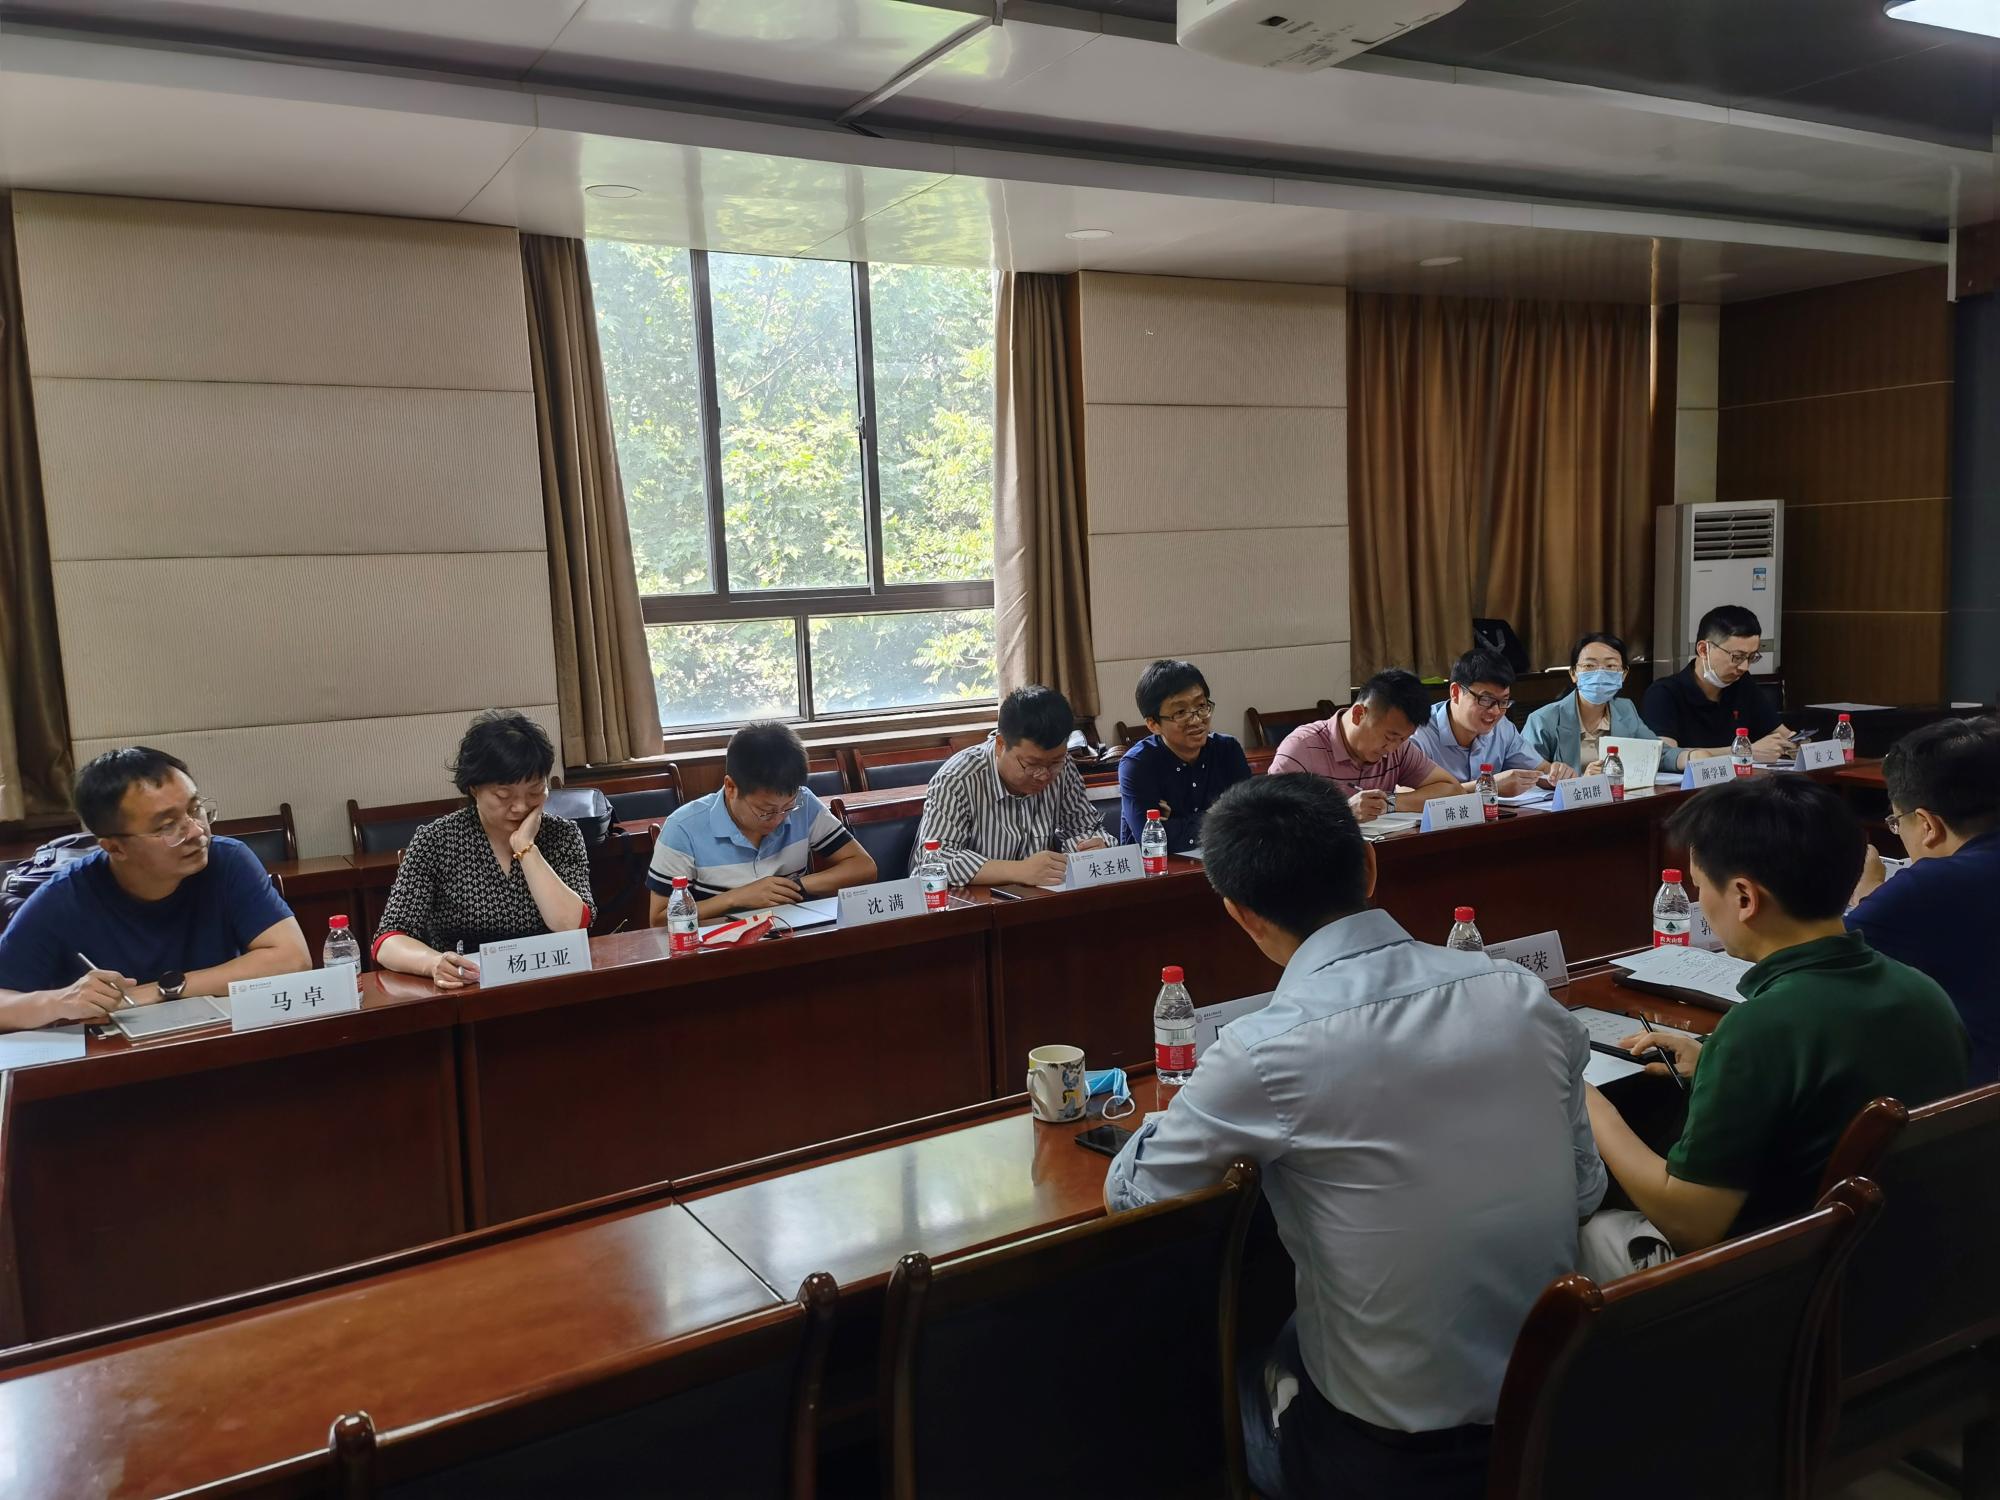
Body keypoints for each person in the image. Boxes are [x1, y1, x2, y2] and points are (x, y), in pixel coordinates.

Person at [1106, 774, 1602, 1499]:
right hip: (1556, 1416)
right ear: (1370, 864)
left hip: (1388, 1461)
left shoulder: (1263, 1051)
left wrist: (1166, 1120)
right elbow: (1585, 1190)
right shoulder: (1517, 992)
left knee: (1223, 1373)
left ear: (1240, 914)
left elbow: (1137, 1199)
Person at [1583, 777, 1967, 1278]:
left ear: (1744, 897)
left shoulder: (1761, 1028)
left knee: (1584, 1229)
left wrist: (1593, 1108)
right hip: (1909, 1258)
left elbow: (1690, 1223)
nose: (1700, 901)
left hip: (1786, 1279)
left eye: (1701, 886)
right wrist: (1713, 1060)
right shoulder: (1923, 991)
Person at [0, 747, 308, 1030]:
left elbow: (292, 958)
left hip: (217, 1040)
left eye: (195, 809)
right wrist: (59, 1001)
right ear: (115, 848)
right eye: (167, 826)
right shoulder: (65, 897)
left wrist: (159, 991)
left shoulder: (226, 860)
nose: (197, 831)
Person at [373, 711, 593, 989]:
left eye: (535, 792)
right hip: (467, 989)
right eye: (504, 795)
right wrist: (434, 963)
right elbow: (388, 940)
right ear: (474, 788)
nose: (520, 807)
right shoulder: (437, 840)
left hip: (549, 985)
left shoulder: (562, 835)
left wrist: (526, 848)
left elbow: (571, 926)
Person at [1845, 717, 2000, 1082]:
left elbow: (1820, 959)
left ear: (1928, 825)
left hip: (1968, 1100)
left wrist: (1868, 891)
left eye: (1896, 821)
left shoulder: (1928, 884)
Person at [647, 721, 876, 922]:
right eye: (765, 811)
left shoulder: (804, 803)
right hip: (719, 949)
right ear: (731, 787)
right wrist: (737, 898)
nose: (779, 818)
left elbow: (864, 867)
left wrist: (795, 887)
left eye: (788, 807)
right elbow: (659, 918)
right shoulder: (683, 828)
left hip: (792, 938)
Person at [915, 685, 1107, 888]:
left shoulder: (1064, 767)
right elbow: (934, 862)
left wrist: (1095, 846)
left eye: (1055, 762)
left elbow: (1086, 828)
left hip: (1039, 898)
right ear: (1000, 745)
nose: (1044, 775)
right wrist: (1020, 870)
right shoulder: (958, 779)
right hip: (970, 902)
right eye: (1032, 764)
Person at [1267, 669, 1461, 819]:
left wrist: (1389, 803)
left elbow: (1452, 790)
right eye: (1389, 736)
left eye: (1402, 739)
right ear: (1359, 714)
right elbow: (1271, 819)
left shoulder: (1399, 749)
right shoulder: (1301, 749)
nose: (1392, 749)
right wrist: (1344, 812)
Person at [1116, 658, 1252, 850]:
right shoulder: (1137, 764)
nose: (1196, 720)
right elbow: (1152, 840)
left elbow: (1252, 820)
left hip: (1221, 863)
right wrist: (1222, 817)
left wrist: (1176, 825)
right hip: (1159, 868)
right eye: (1180, 712)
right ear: (1153, 724)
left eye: (1201, 706)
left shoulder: (1228, 750)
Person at [1640, 604, 1794, 760]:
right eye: (1737, 657)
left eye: (1751, 657)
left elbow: (1785, 735)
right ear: (1703, 650)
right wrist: (1743, 751)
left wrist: (1797, 744)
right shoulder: (1664, 693)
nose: (1744, 667)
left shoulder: (1742, 683)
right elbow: (1665, 756)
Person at [1411, 648, 1573, 794]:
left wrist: (1557, 774)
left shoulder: (1502, 728)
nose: (1495, 712)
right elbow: (1407, 796)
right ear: (1455, 693)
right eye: (1486, 700)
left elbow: (1541, 770)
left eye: (1504, 701)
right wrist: (1487, 786)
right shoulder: (1418, 733)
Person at [1523, 632, 1685, 777]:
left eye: (1610, 666)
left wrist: (1690, 757)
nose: (1600, 673)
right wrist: (1580, 781)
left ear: (1623, 674)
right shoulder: (1542, 720)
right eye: (1589, 666)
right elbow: (1527, 774)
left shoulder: (1625, 709)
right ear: (1573, 674)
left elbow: (1658, 753)